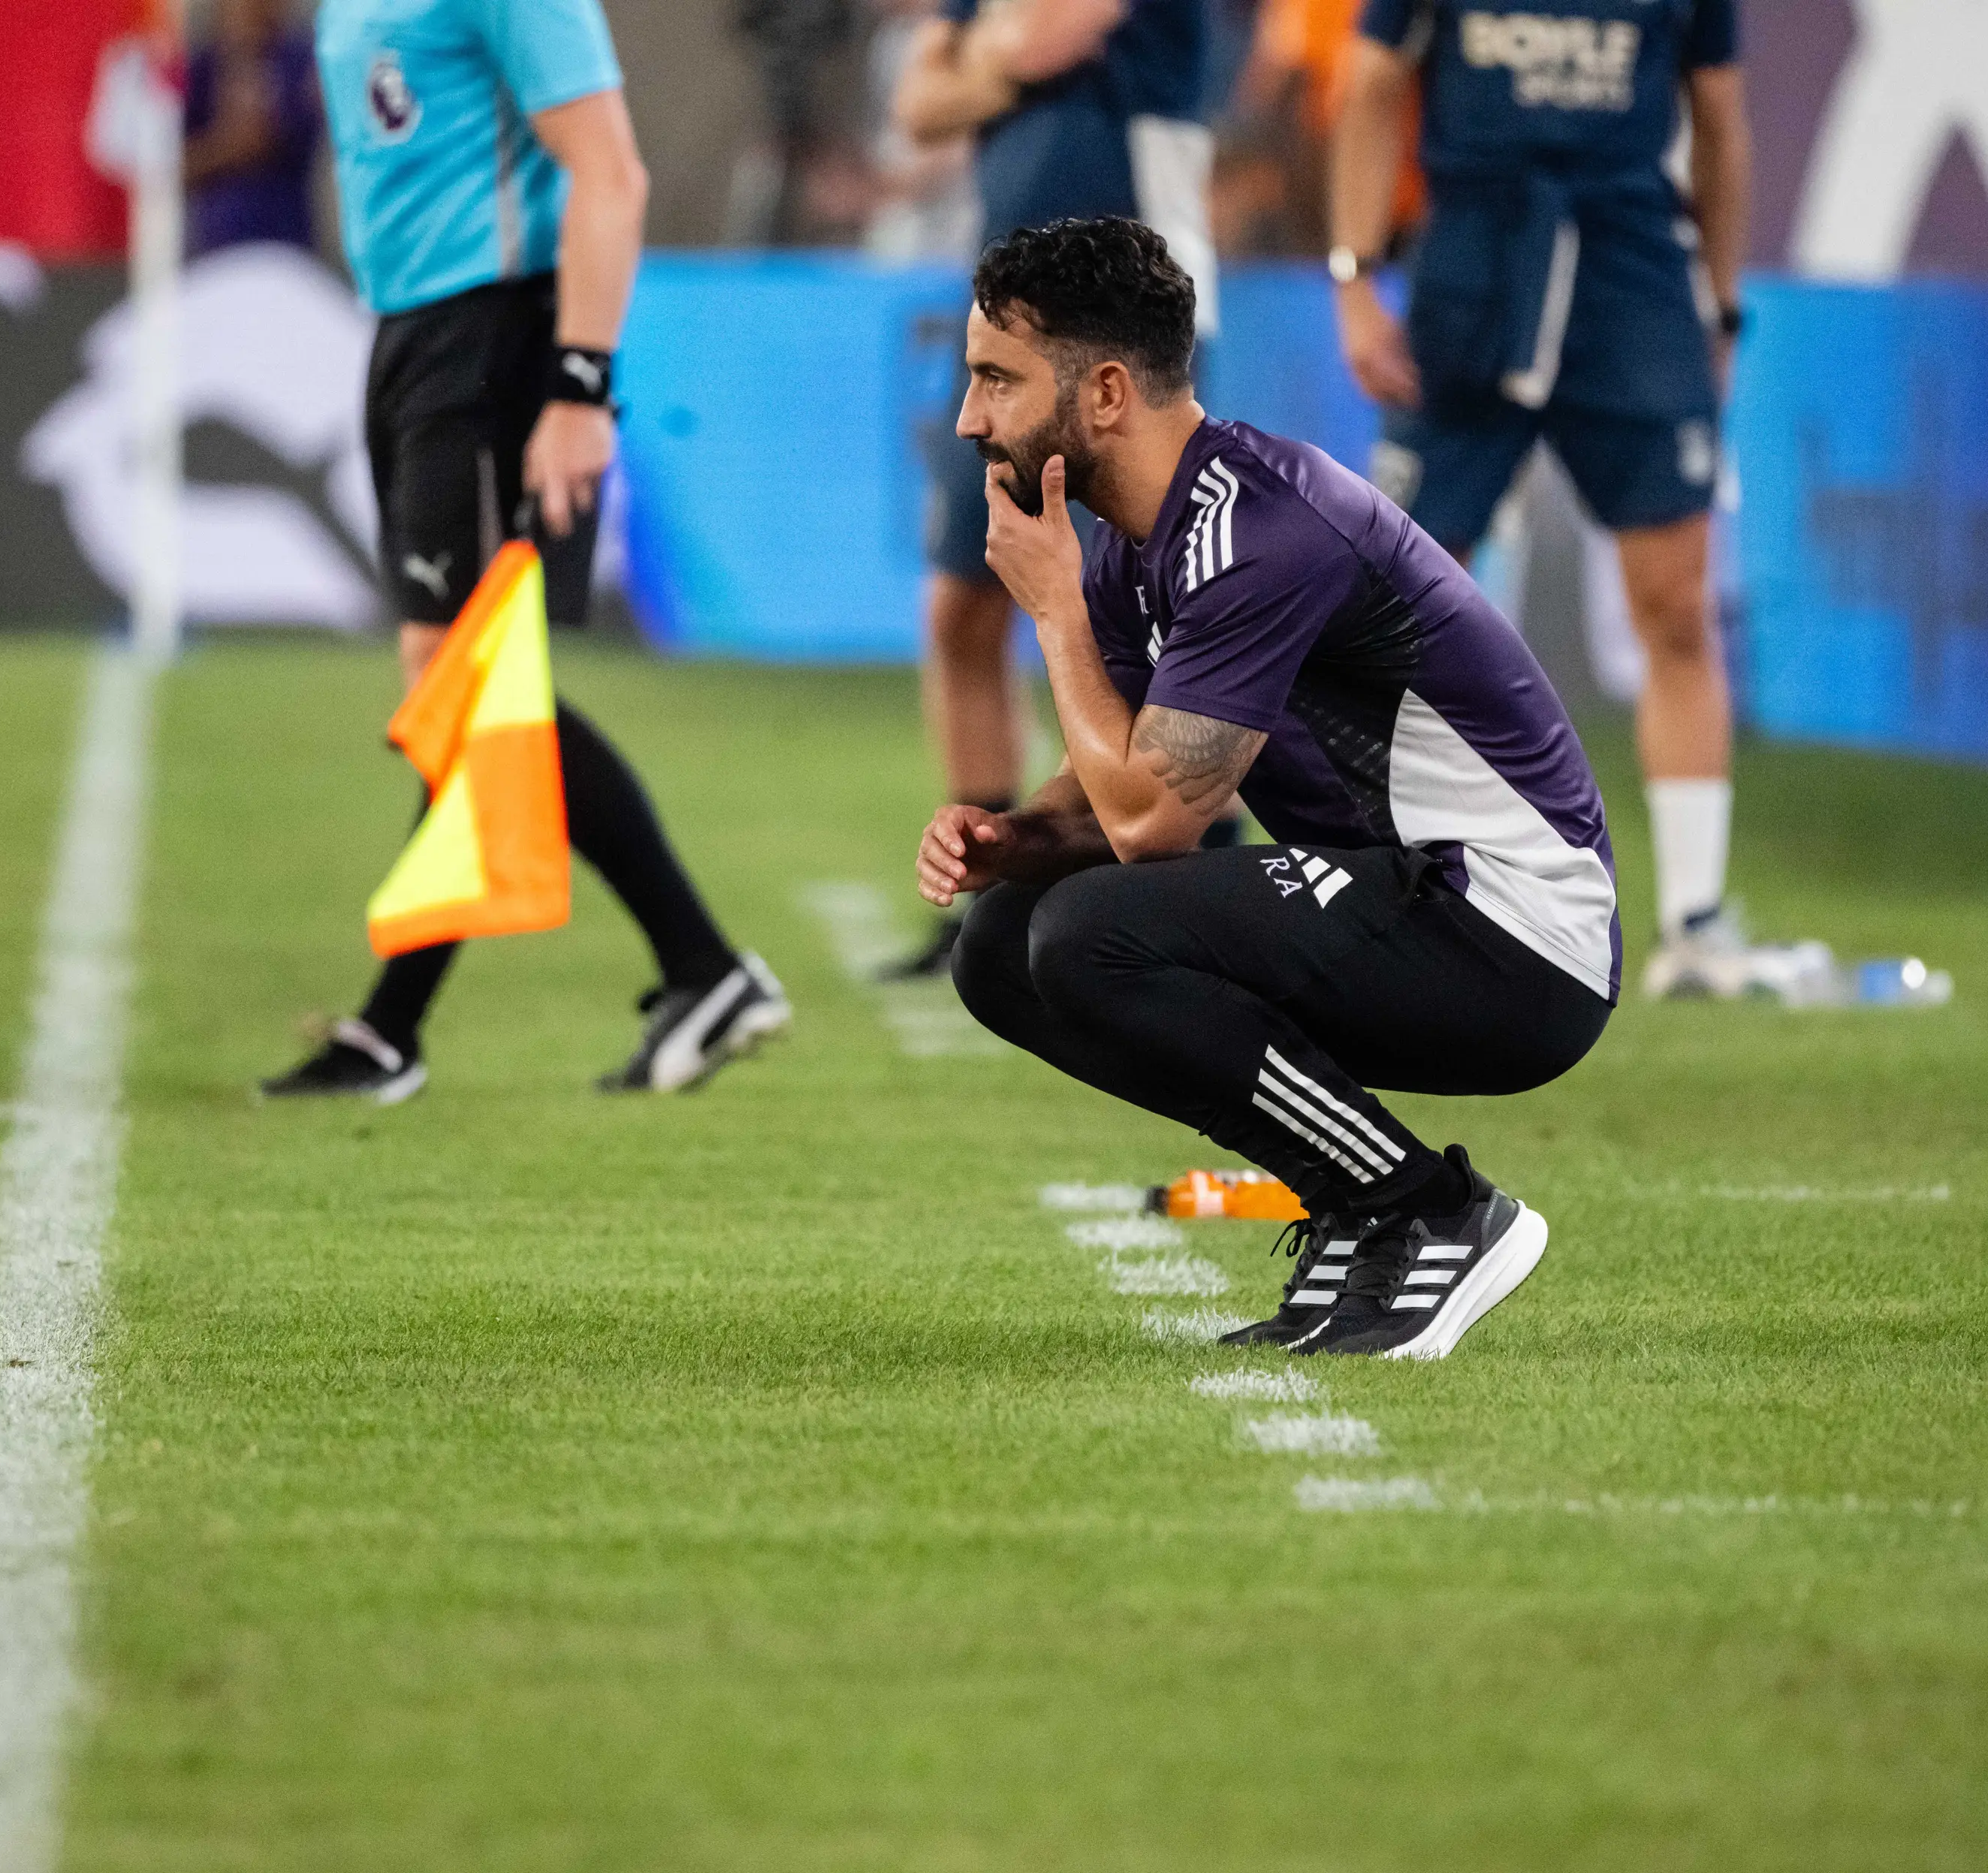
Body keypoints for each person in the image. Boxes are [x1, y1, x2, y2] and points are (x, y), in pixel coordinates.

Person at [922, 218, 1614, 1359]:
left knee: (1092, 936)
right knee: (1004, 942)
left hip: (1513, 931)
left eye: (996, 379)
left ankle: (1430, 1210)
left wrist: (1049, 615)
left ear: (1103, 392)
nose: (969, 419)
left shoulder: (1257, 531)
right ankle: (1356, 1207)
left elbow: (1151, 823)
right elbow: (1110, 796)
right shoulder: (1145, 536)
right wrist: (1016, 835)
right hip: (1407, 898)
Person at [265, 0, 789, 1102]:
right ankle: (692, 971)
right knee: (462, 689)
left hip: (499, 337)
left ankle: (400, 1029)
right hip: (414, 332)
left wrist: (578, 385)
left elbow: (611, 173)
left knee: (462, 685)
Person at [1326, 0, 1832, 1002]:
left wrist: (1721, 306)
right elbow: (1373, 84)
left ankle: (1691, 919)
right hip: (1472, 265)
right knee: (1388, 605)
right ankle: (1375, 889)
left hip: (1631, 277)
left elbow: (1721, 120)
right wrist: (1353, 278)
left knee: (1676, 605)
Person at [883, 0, 1217, 978]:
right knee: (962, 605)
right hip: (1011, 320)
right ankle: (986, 872)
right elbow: (916, 107)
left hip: (1140, 317)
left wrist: (985, 55)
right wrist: (995, 57)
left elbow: (1038, 39)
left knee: (1176, 595)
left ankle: (1207, 858)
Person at [186, 0, 327, 256]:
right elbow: (177, 166)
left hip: (285, 248)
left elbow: (267, 136)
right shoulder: (201, 66)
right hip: (214, 250)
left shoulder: (299, 59)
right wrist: (228, 146)